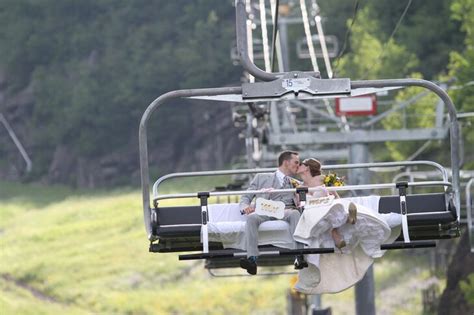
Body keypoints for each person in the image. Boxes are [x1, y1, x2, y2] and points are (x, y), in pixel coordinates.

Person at [292, 158, 402, 294]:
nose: (297, 166)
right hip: (315, 214)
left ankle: (347, 221)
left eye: (300, 164)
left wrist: (332, 199)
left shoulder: (322, 180)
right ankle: (345, 224)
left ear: (307, 167)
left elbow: (335, 197)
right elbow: (299, 205)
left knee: (334, 210)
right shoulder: (299, 187)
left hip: (329, 208)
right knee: (329, 225)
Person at [239, 150, 308, 275]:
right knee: (252, 218)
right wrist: (245, 207)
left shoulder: (295, 183)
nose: (298, 165)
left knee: (294, 214)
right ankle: (252, 260)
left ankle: (299, 256)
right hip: (266, 209)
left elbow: (309, 193)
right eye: (296, 162)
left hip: (286, 211)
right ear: (286, 163)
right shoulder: (261, 177)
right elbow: (246, 197)